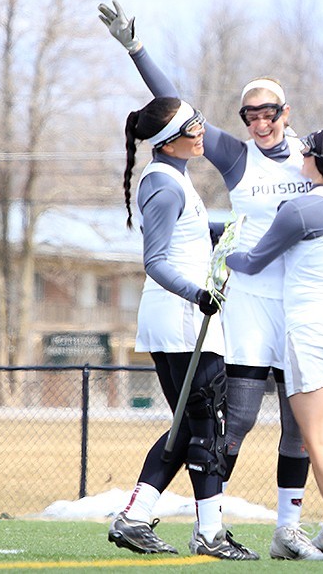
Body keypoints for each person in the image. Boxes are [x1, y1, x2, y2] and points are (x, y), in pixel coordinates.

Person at [99, 0, 323, 560]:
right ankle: (209, 522)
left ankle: (287, 530)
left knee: (299, 428)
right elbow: (177, 111)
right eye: (249, 113)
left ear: (285, 112)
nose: (259, 121)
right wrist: (136, 48)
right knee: (234, 421)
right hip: (248, 304)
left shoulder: (314, 154)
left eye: (268, 111)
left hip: (300, 307)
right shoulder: (235, 156)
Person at [107, 96, 258, 561]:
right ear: (169, 142)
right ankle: (209, 534)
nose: (201, 131)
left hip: (182, 317)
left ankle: (135, 517)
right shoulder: (165, 185)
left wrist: (222, 236)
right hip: (182, 318)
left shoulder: (175, 177)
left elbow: (183, 243)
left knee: (189, 427)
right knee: (207, 427)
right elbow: (154, 261)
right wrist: (198, 294)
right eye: (192, 127)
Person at [225, 127, 323, 561]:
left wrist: (222, 250)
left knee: (315, 438)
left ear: (315, 161)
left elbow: (253, 262)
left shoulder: (302, 208)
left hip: (313, 328)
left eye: (304, 151)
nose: (298, 157)